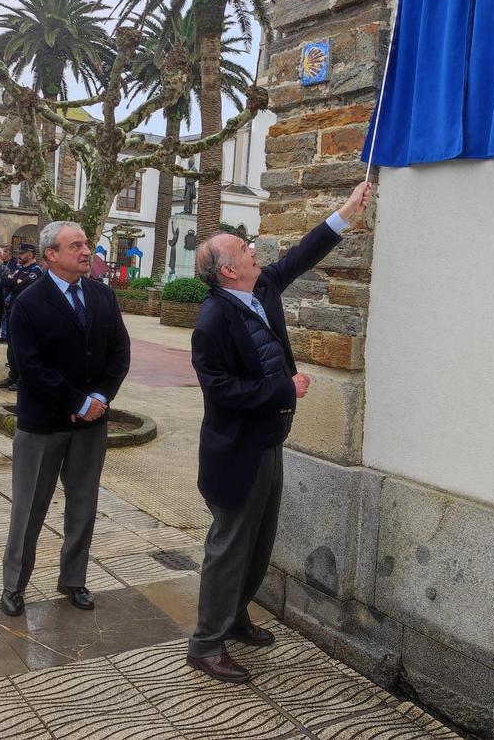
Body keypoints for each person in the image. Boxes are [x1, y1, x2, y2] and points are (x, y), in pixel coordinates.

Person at [186, 181, 373, 683]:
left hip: (268, 441)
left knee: (259, 540)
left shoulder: (260, 288)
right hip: (234, 452)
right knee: (229, 547)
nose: (255, 250)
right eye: (245, 249)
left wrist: (346, 212)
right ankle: (206, 644)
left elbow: (301, 255)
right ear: (229, 270)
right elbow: (221, 392)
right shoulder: (211, 322)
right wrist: (283, 390)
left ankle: (236, 614)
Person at [0, 222, 131, 617]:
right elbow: (30, 366)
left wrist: (101, 397)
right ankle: (14, 586)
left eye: (87, 244)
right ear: (51, 255)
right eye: (76, 245)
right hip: (43, 424)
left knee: (83, 506)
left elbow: (119, 353)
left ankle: (73, 579)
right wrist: (76, 400)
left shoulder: (102, 295)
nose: (86, 250)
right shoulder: (29, 301)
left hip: (91, 424)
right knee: (28, 510)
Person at [0, 243, 42, 391]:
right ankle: (13, 375)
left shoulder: (36, 271)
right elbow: (5, 282)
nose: (19, 256)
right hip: (11, 312)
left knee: (21, 348)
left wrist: (14, 282)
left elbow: (23, 286)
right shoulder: (19, 269)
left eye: (22, 253)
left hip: (26, 315)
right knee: (11, 347)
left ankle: (22, 378)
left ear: (31, 254)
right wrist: (14, 282)